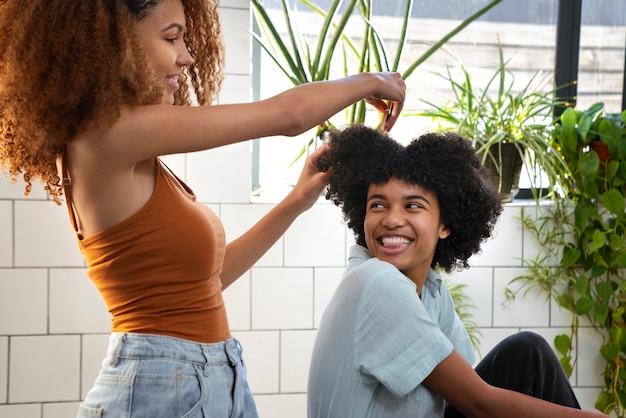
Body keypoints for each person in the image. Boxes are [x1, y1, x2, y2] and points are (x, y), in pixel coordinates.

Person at [0, 1, 405, 417]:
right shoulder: (107, 135)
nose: (187, 55)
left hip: (203, 380)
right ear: (115, 42)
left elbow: (207, 282)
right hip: (162, 384)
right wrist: (370, 80)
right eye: (171, 37)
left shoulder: (124, 150)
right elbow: (290, 115)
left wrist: (295, 202)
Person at [308, 125, 607, 418]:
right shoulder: (375, 281)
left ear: (445, 224)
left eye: (412, 205)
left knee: (527, 354)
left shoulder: (432, 292)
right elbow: (479, 402)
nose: (392, 219)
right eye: (378, 205)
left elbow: (461, 398)